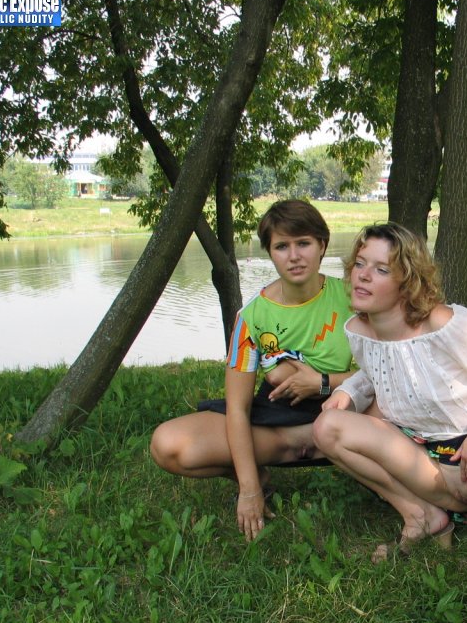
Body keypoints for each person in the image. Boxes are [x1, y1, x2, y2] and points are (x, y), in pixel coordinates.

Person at [313, 222, 467, 586]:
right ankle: (423, 515)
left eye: (381, 269)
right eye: (360, 264)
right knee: (327, 428)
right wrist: (348, 391)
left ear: (407, 281)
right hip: (423, 460)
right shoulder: (360, 330)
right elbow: (381, 369)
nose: (362, 275)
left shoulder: (444, 323)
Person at [150, 200, 354, 541]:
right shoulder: (251, 317)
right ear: (270, 253)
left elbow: (389, 372)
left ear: (322, 244)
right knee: (167, 444)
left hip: (344, 408)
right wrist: (249, 489)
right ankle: (280, 459)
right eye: (281, 246)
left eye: (303, 243)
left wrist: (322, 382)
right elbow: (238, 409)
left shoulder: (352, 297)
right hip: (276, 421)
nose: (294, 256)